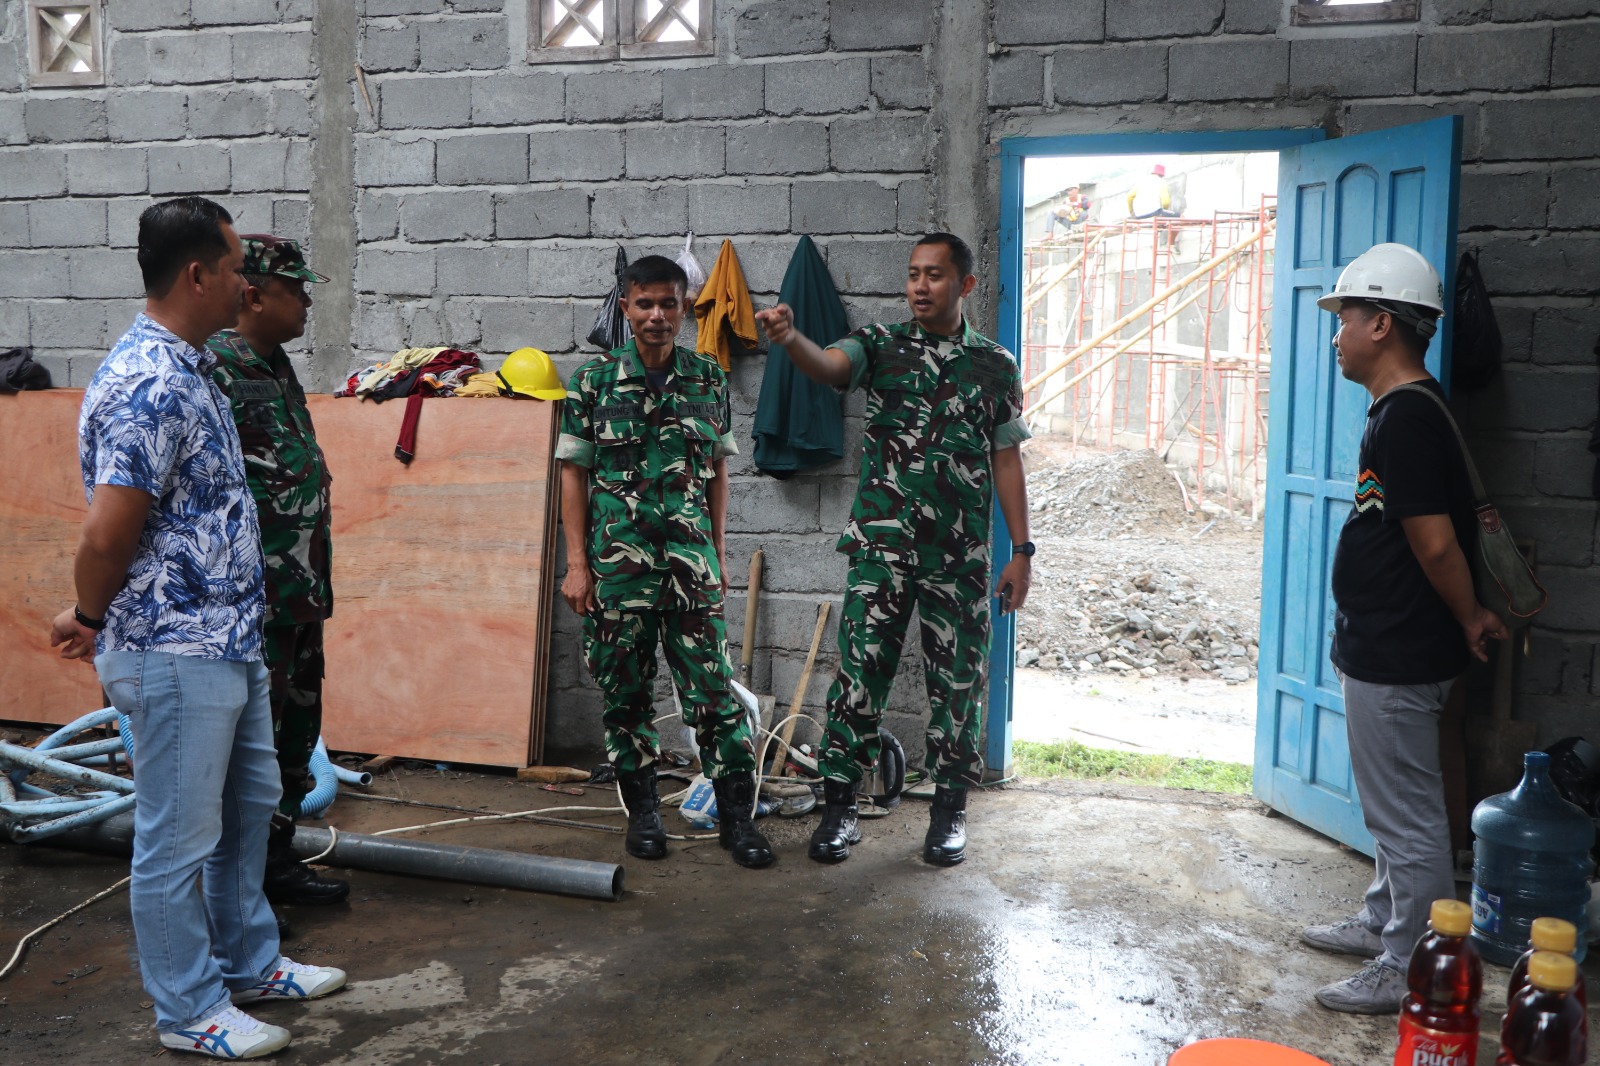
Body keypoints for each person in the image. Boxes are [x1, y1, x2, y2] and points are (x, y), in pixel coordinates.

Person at [49, 197, 345, 1060]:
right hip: (172, 646)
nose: (247, 284)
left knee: (247, 810)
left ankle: (249, 964)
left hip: (229, 639)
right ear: (197, 275)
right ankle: (188, 1009)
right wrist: (91, 616)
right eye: (236, 268)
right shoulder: (148, 382)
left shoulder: (194, 367)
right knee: (176, 840)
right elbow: (109, 531)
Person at [755, 233, 1034, 868]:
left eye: (934, 275)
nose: (919, 286)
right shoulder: (882, 344)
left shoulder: (995, 365)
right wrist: (791, 339)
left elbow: (1007, 459)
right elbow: (830, 367)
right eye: (913, 274)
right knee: (858, 679)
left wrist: (1022, 550)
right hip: (881, 551)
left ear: (965, 284)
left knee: (958, 688)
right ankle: (840, 809)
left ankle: (949, 812)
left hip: (958, 561)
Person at [1300, 242, 1507, 1015]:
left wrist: (1470, 614)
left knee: (1409, 817)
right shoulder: (1405, 409)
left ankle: (1409, 963)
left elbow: (1435, 543)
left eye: (1346, 318)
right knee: (1392, 805)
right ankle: (1385, 918)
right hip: (1386, 640)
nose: (1338, 334)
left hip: (1400, 649)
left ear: (1382, 324)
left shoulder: (1409, 418)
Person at [556, 255, 774, 869]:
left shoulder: (707, 378)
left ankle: (737, 820)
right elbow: (573, 475)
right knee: (625, 699)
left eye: (668, 304)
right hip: (617, 571)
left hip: (690, 569)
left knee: (715, 697)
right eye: (645, 303)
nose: (656, 315)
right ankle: (645, 816)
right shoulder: (593, 383)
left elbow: (719, 471)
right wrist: (577, 565)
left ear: (685, 309)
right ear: (626, 307)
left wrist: (719, 553)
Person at [206, 235, 349, 913]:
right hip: (253, 602)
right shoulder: (215, 367)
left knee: (294, 736)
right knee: (248, 748)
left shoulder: (276, 364)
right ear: (254, 295)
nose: (307, 302)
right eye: (296, 289)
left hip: (299, 592)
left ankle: (275, 862)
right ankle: (237, 897)